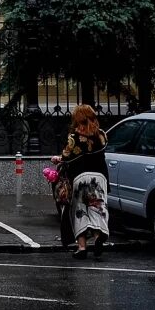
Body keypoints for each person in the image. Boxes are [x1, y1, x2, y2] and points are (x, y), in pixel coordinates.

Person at [53, 104, 110, 259]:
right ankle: (99, 238)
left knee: (79, 210)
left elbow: (65, 156)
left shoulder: (73, 138)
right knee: (97, 207)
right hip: (99, 177)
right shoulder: (102, 135)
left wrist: (57, 159)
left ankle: (82, 247)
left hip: (80, 177)